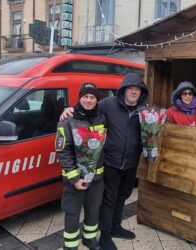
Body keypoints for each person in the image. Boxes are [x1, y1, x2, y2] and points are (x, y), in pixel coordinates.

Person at [60, 73, 148, 250]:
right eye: (130, 88)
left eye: (137, 89)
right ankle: (105, 234)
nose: (133, 91)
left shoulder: (144, 110)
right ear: (123, 90)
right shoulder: (108, 104)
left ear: (141, 92)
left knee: (123, 196)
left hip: (130, 163)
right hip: (111, 163)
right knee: (109, 199)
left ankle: (116, 226)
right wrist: (69, 109)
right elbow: (86, 106)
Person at [56, 83, 106, 250]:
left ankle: (89, 238)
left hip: (97, 177)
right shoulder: (67, 119)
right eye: (85, 96)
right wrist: (74, 178)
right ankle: (70, 245)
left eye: (92, 97)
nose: (89, 100)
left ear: (96, 100)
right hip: (76, 178)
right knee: (72, 212)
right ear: (80, 97)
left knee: (93, 209)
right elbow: (63, 151)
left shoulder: (102, 116)